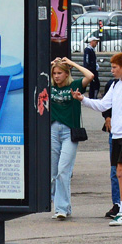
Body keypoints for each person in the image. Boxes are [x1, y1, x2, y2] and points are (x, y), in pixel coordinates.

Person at [75, 51, 122, 226]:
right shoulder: (116, 85)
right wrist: (83, 100)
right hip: (117, 134)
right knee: (120, 172)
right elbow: (103, 104)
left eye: (114, 67)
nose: (112, 70)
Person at [48, 58, 94, 219]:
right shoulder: (50, 87)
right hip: (53, 129)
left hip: (69, 131)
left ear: (67, 74)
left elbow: (90, 75)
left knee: (63, 170)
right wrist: (51, 64)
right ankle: (63, 207)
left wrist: (73, 64)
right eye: (54, 73)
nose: (56, 76)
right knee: (53, 172)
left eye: (59, 73)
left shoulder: (74, 86)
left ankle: (61, 208)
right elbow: (36, 77)